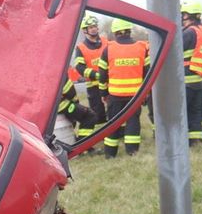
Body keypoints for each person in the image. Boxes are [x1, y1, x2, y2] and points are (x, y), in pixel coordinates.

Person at [96, 19, 150, 157]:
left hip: (114, 95)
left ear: (115, 32)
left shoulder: (109, 49)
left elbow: (102, 75)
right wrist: (146, 93)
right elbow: (147, 73)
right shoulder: (142, 48)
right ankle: (132, 153)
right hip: (135, 95)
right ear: (129, 30)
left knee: (113, 123)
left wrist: (103, 93)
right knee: (133, 122)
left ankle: (110, 154)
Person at [180, 1, 202, 146]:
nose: (182, 18)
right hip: (199, 77)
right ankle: (197, 139)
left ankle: (183, 140)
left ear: (189, 15)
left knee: (184, 111)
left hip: (187, 78)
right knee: (196, 109)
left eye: (184, 15)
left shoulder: (188, 33)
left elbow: (175, 51)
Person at [71, 16, 108, 139]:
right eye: (90, 27)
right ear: (85, 31)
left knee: (114, 110)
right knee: (97, 114)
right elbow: (80, 68)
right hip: (94, 86)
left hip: (110, 84)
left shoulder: (106, 42)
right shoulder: (81, 48)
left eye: (94, 26)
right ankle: (98, 137)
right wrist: (98, 75)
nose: (93, 29)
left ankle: (117, 134)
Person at [55, 76, 96, 146]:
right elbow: (69, 91)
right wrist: (76, 102)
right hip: (62, 106)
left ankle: (75, 142)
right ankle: (83, 145)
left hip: (50, 110)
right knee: (89, 116)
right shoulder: (57, 71)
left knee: (71, 122)